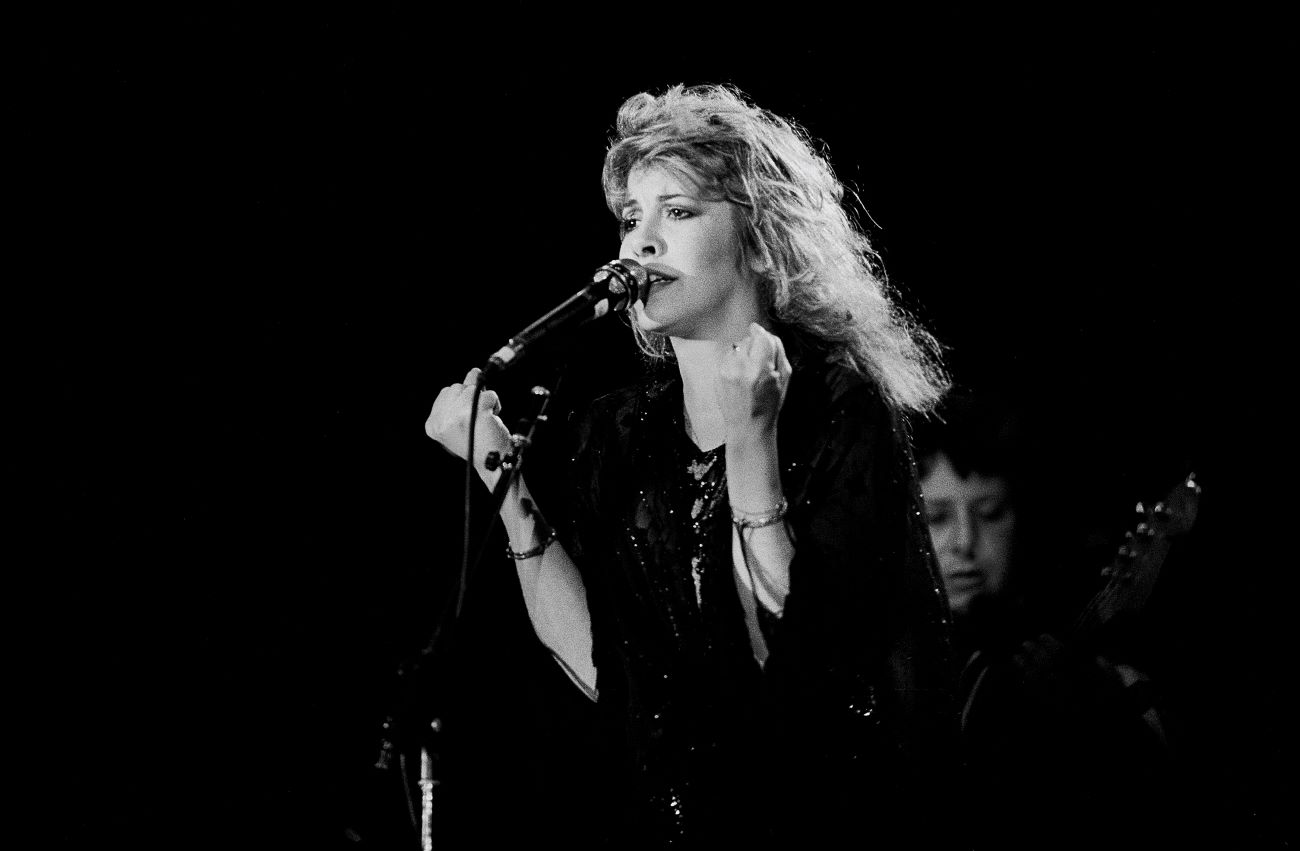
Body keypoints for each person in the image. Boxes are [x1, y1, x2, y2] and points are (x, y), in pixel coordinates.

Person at [426, 84, 958, 848]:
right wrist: (502, 479)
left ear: (759, 238)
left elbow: (801, 667)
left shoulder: (840, 407)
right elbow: (610, 674)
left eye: (677, 212)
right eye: (629, 218)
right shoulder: (618, 434)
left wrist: (751, 443)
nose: (640, 244)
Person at [913, 390, 1195, 850]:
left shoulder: (1108, 675)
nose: (964, 540)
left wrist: (1102, 714)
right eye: (936, 517)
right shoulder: (889, 660)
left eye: (990, 513)